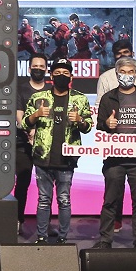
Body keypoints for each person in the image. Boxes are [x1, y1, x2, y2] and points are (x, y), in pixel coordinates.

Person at [21, 58, 93, 245]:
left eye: (65, 73)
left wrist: (79, 120)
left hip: (67, 159)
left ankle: (63, 237)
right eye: (58, 73)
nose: (62, 76)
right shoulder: (39, 98)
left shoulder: (80, 99)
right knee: (44, 200)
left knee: (64, 199)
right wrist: (36, 115)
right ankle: (42, 237)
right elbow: (24, 123)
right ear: (51, 76)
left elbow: (88, 127)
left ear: (71, 77)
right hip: (43, 157)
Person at [93, 57, 136, 249]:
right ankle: (105, 240)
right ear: (116, 74)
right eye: (123, 72)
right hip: (114, 160)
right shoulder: (108, 98)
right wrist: (107, 124)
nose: (127, 75)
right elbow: (99, 126)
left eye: (131, 72)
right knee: (110, 201)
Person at [15, 53, 51, 235]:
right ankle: (17, 220)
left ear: (46, 69)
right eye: (35, 66)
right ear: (29, 69)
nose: (38, 69)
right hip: (23, 144)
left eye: (41, 66)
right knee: (23, 183)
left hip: (47, 146)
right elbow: (19, 116)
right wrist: (29, 132)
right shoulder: (20, 89)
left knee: (47, 187)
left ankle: (45, 225)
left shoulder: (52, 90)